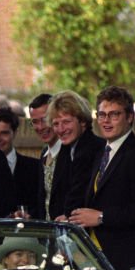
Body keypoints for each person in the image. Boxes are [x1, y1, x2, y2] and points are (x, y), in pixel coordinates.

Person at [69, 86, 135, 270]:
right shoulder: (103, 152)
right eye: (102, 115)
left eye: (114, 114)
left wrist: (102, 217)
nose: (106, 120)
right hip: (102, 260)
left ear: (130, 117)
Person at [46, 90, 105, 219]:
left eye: (66, 122)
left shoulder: (96, 149)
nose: (61, 129)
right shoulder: (67, 149)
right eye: (56, 123)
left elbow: (80, 194)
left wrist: (67, 215)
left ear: (82, 121)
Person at [0, 107, 40, 215]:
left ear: (15, 133)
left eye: (4, 133)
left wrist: (29, 215)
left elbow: (41, 204)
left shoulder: (34, 167)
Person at [28, 93, 64, 220]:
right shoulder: (44, 153)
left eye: (44, 120)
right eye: (35, 122)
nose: (40, 127)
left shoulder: (71, 152)